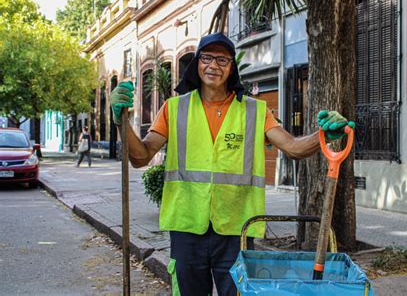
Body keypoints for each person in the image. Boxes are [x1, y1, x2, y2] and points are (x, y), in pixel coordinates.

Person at [110, 33, 354, 296]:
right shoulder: (173, 108)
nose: (213, 65)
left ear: (231, 67)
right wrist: (121, 120)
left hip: (237, 229)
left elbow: (293, 148)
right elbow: (141, 156)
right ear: (197, 63)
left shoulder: (255, 110)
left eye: (222, 59)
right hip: (186, 227)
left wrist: (323, 136)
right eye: (206, 58)